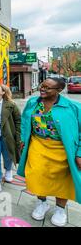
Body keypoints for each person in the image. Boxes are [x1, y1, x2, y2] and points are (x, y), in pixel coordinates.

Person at [18, 78, 81, 227]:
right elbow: (25, 121)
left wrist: (79, 153)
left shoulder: (73, 107)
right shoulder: (33, 102)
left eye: (48, 88)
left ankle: (60, 210)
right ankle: (42, 203)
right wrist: (22, 140)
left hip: (62, 149)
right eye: (42, 86)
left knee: (62, 181)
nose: (43, 89)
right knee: (37, 175)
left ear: (58, 90)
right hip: (37, 145)